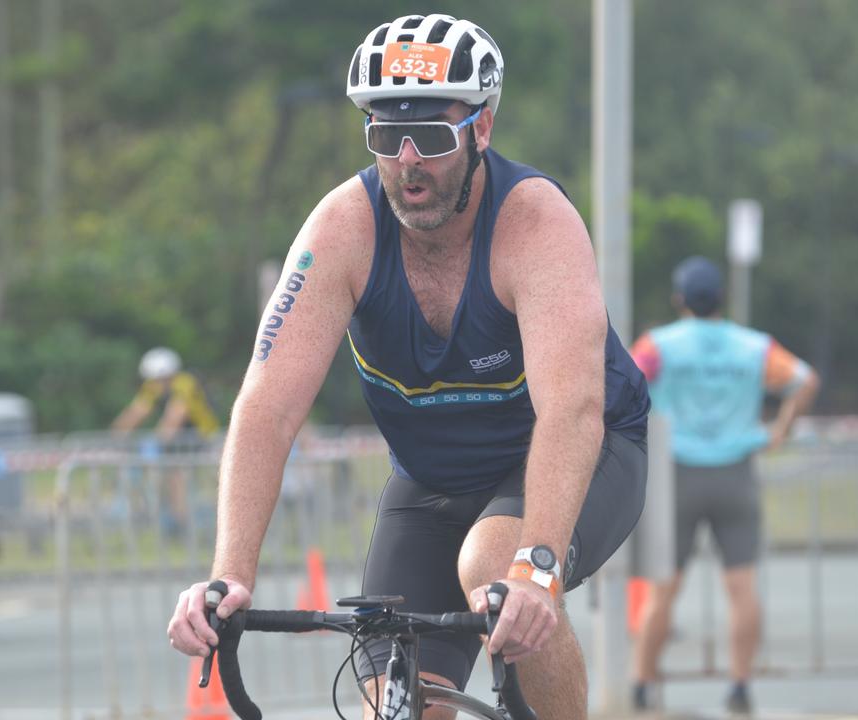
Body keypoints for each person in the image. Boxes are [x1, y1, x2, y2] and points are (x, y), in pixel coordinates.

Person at [166, 14, 651, 719]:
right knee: (392, 690)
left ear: (480, 129)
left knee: (495, 565)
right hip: (430, 481)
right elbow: (266, 407)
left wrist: (537, 567)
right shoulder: (343, 228)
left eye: (428, 137)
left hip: (575, 451)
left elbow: (571, 409)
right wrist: (227, 578)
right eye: (385, 137)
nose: (406, 162)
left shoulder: (534, 224)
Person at [628, 257, 818, 715]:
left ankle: (643, 680)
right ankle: (739, 683)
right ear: (722, 300)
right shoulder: (753, 347)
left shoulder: (660, 344)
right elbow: (805, 381)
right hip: (736, 471)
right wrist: (781, 429)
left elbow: (626, 382)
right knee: (742, 586)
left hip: (677, 473)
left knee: (663, 589)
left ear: (679, 300)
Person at [111, 347, 220, 447]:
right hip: (182, 442)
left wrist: (156, 443)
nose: (155, 384)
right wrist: (115, 438)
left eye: (159, 380)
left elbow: (177, 413)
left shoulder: (184, 382)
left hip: (205, 439)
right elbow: (137, 410)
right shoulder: (153, 385)